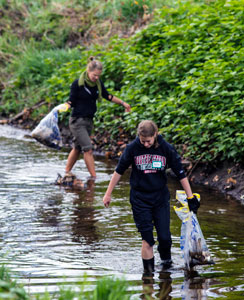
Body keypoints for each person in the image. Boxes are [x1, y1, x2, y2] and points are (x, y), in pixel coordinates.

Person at [102, 120, 200, 274]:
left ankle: (166, 269)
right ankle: (148, 277)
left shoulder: (165, 148)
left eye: (148, 141)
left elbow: (180, 172)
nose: (146, 144)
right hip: (140, 199)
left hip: (160, 198)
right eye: (143, 141)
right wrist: (108, 194)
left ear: (155, 134)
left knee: (165, 238)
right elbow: (119, 170)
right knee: (147, 241)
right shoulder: (133, 148)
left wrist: (190, 197)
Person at [65, 56, 131, 178]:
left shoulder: (98, 84)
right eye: (94, 75)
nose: (96, 78)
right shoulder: (77, 84)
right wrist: (66, 106)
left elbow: (107, 96)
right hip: (77, 121)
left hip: (89, 121)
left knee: (77, 148)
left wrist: (123, 103)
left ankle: (67, 171)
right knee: (88, 149)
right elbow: (71, 101)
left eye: (98, 76)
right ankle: (94, 178)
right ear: (88, 71)